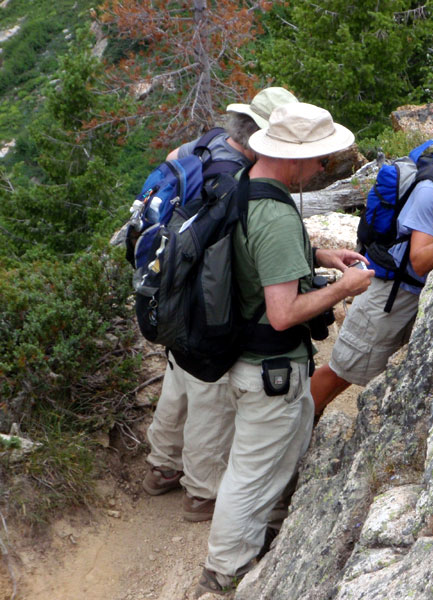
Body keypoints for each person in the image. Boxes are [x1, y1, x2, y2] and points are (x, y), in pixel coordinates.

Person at [195, 102, 373, 597]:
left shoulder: (244, 184)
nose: (323, 167)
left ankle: (258, 538)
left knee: (266, 461)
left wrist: (318, 255)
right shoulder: (274, 213)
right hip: (268, 367)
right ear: (294, 158)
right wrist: (345, 287)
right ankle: (224, 570)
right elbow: (282, 313)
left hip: (245, 357)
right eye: (320, 158)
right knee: (251, 474)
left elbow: (253, 251)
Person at [142, 87, 298, 523]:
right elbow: (239, 253)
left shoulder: (204, 144)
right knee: (210, 397)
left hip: (171, 292)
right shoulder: (237, 181)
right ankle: (201, 492)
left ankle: (161, 467)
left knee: (179, 379)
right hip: (205, 305)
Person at [311, 118, 433, 413]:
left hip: (418, 297)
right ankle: (298, 424)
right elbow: (420, 260)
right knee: (342, 371)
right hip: (390, 291)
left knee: (368, 373)